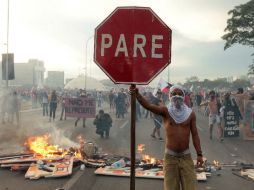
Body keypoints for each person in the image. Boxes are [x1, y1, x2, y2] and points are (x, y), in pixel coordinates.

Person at [130, 85, 203, 190]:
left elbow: (195, 134)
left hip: (186, 157)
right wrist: (138, 95)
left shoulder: (190, 114)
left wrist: (199, 154)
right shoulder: (166, 111)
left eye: (179, 93)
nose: (177, 96)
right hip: (170, 158)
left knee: (191, 187)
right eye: (174, 93)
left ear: (183, 96)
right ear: (170, 96)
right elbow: (149, 106)